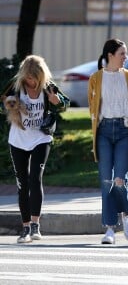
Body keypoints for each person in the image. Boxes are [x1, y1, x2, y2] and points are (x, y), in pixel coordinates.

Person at [1, 54, 70, 243]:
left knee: (35, 179)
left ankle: (35, 225)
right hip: (18, 139)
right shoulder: (16, 86)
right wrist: (10, 104)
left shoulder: (48, 86)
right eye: (28, 78)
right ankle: (24, 228)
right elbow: (2, 103)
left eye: (34, 78)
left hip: (41, 137)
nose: (31, 82)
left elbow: (66, 102)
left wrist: (57, 102)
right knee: (22, 184)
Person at [88, 38, 128, 244]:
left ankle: (126, 215)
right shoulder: (95, 78)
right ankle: (109, 228)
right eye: (122, 54)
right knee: (106, 181)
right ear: (110, 55)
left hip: (123, 131)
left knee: (119, 179)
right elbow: (93, 109)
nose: (125, 57)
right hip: (103, 132)